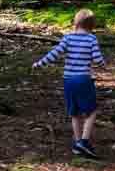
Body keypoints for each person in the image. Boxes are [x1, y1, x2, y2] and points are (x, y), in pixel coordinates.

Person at [33, 8, 104, 159]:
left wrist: (39, 63)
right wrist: (102, 64)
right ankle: (84, 142)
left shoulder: (68, 38)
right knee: (91, 111)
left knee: (75, 112)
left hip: (68, 80)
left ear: (76, 22)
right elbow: (98, 59)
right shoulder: (92, 39)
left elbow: (54, 53)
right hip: (84, 79)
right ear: (91, 25)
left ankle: (77, 143)